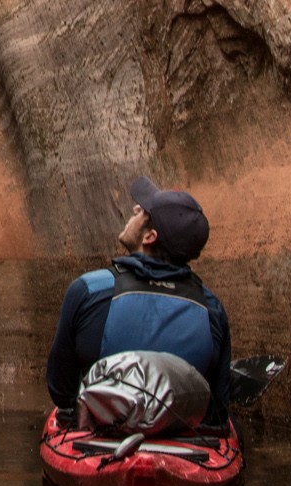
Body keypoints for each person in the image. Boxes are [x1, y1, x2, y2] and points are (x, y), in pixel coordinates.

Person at [45, 175, 233, 430]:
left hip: (101, 438)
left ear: (149, 237)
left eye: (142, 211)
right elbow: (218, 411)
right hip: (183, 443)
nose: (134, 209)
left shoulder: (89, 291)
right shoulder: (211, 309)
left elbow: (62, 392)